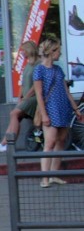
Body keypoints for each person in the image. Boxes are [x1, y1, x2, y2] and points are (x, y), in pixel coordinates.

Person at [33, 35, 83, 187]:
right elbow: (39, 95)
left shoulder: (58, 69)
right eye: (58, 50)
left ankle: (54, 174)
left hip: (63, 108)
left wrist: (75, 109)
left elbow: (65, 91)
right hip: (50, 108)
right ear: (52, 51)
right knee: (49, 143)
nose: (60, 53)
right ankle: (45, 178)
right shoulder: (39, 70)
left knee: (60, 141)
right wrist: (45, 115)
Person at [0, 41, 39, 152]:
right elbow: (23, 83)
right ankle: (5, 142)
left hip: (34, 98)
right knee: (16, 117)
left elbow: (36, 85)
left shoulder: (38, 64)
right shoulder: (28, 64)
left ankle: (8, 143)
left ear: (29, 50)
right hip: (26, 97)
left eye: (24, 50)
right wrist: (20, 96)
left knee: (14, 114)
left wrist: (26, 97)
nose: (22, 53)